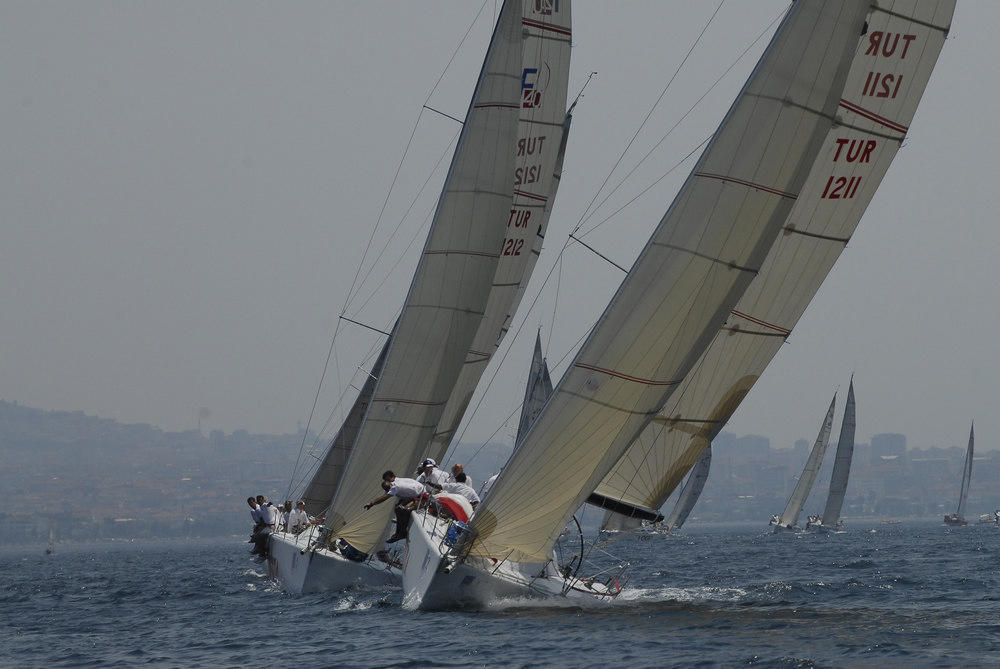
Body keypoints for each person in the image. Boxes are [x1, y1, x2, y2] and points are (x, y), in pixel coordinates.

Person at [363, 471, 424, 543]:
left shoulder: (395, 486)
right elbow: (383, 496)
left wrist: (371, 504)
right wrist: (371, 503)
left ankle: (401, 533)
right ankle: (399, 533)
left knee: (402, 510)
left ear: (392, 477)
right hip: (412, 495)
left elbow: (384, 498)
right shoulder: (391, 484)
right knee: (397, 508)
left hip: (421, 495)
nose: (387, 481)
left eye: (388, 479)